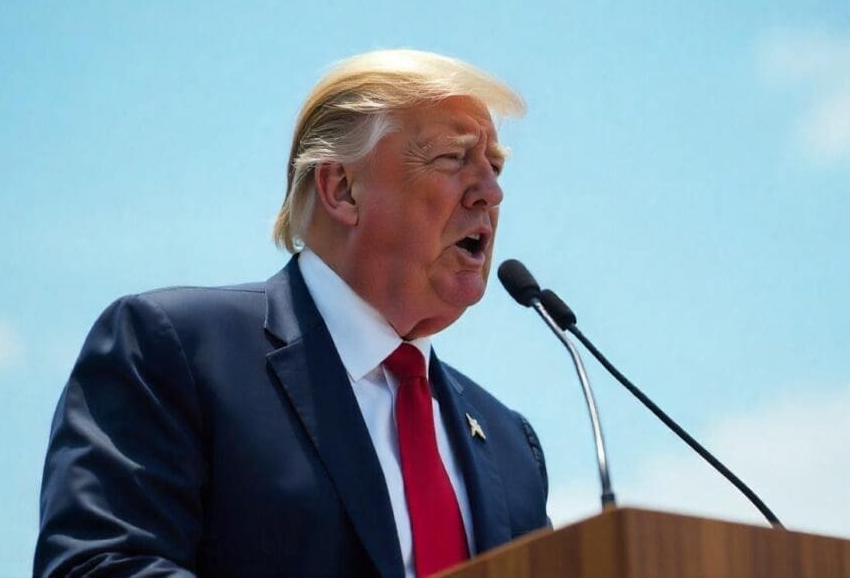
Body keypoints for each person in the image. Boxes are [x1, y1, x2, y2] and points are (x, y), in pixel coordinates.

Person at [35, 49, 549, 577]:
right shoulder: (176, 352)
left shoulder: (511, 445)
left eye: (495, 166)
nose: (491, 191)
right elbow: (102, 568)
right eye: (453, 158)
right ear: (342, 189)